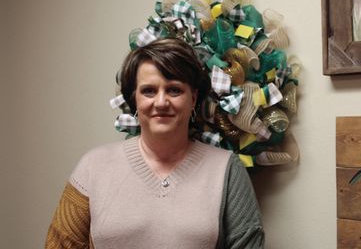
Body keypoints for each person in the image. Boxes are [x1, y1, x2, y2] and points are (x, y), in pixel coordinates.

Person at [45, 38, 264, 248]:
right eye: (149, 91)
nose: (161, 102)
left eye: (174, 90)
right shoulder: (93, 167)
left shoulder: (227, 170)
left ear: (193, 99)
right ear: (135, 99)